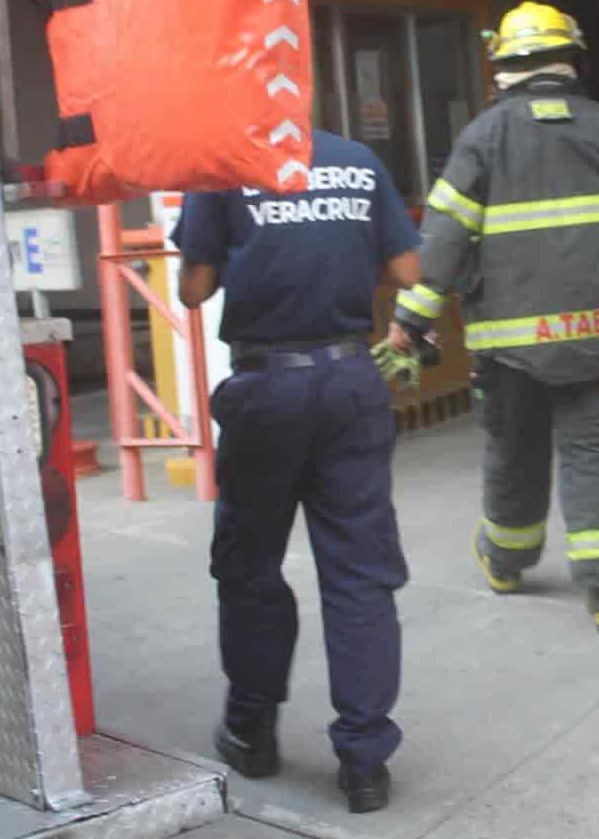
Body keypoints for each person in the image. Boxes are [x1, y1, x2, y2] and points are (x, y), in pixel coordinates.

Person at [388, 0, 599, 635]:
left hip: (507, 347)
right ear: (573, 60)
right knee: (597, 452)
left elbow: (446, 241)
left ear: (503, 66)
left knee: (514, 452)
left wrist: (412, 319)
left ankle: (508, 562)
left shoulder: (482, 137)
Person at [173, 129, 422, 814]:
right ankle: (365, 763)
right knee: (360, 573)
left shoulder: (219, 164)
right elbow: (406, 271)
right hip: (349, 379)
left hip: (268, 388)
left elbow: (193, 290)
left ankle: (251, 730)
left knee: (250, 564)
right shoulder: (358, 161)